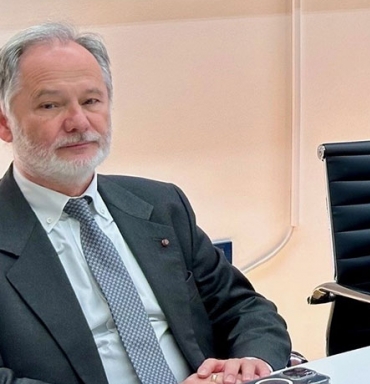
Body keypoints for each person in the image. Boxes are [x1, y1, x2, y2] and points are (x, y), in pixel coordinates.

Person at [0, 23, 291, 384]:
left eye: (91, 101)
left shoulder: (160, 204)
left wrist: (250, 361)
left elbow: (244, 307)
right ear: (5, 124)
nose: (78, 122)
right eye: (50, 105)